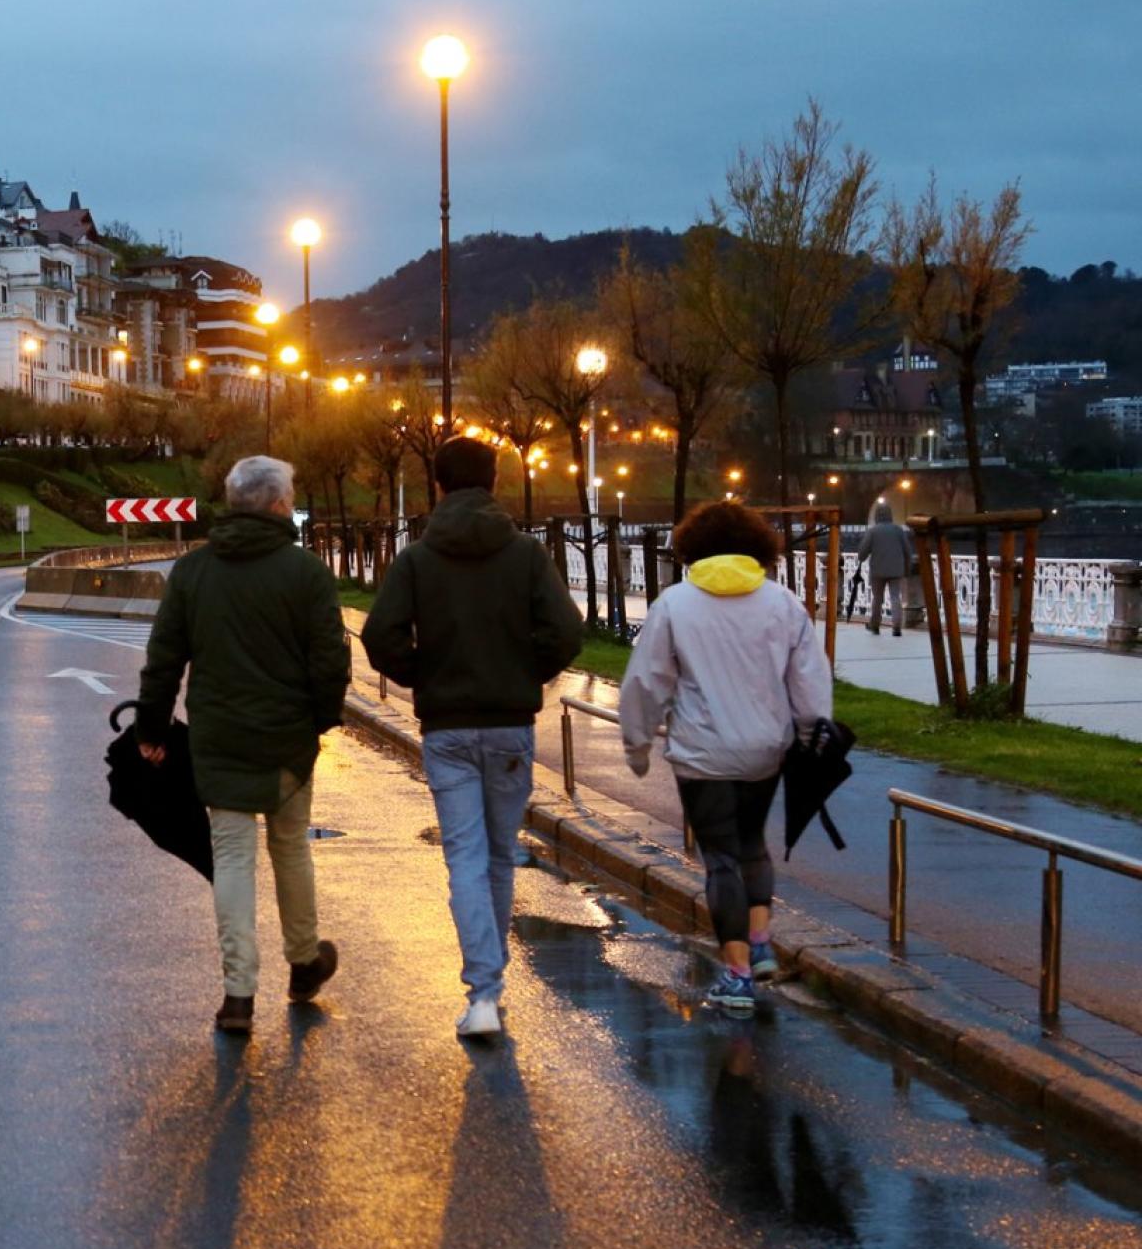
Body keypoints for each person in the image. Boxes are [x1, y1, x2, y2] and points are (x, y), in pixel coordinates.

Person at [361, 436, 584, 1039]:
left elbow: (380, 635)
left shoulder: (416, 558)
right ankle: (492, 981)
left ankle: (482, 992)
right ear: (493, 483)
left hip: (449, 729)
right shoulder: (527, 555)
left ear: (437, 485)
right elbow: (566, 631)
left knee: (463, 854)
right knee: (499, 851)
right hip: (510, 725)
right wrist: (524, 673)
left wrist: (422, 673)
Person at [138, 455, 352, 1036]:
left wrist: (152, 730)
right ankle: (304, 962)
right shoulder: (306, 573)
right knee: (290, 847)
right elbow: (330, 660)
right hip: (286, 739)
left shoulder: (193, 572)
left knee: (231, 856)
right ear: (280, 504)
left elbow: (164, 660)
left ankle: (238, 995)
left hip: (219, 735)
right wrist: (322, 719)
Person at [620, 501, 833, 1015]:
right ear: (757, 547)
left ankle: (737, 976)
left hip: (703, 752)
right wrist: (810, 732)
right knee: (752, 843)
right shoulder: (783, 604)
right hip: (766, 749)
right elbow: (808, 679)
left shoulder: (675, 605)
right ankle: (759, 943)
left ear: (691, 549)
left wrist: (638, 742)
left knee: (720, 859)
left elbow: (647, 681)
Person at [855, 501, 916, 636]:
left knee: (877, 598)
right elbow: (907, 551)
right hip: (896, 569)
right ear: (890, 515)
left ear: (877, 515)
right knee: (895, 597)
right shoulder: (898, 530)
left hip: (878, 570)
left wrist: (862, 557)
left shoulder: (873, 532)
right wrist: (907, 568)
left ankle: (875, 625)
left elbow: (862, 552)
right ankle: (896, 627)